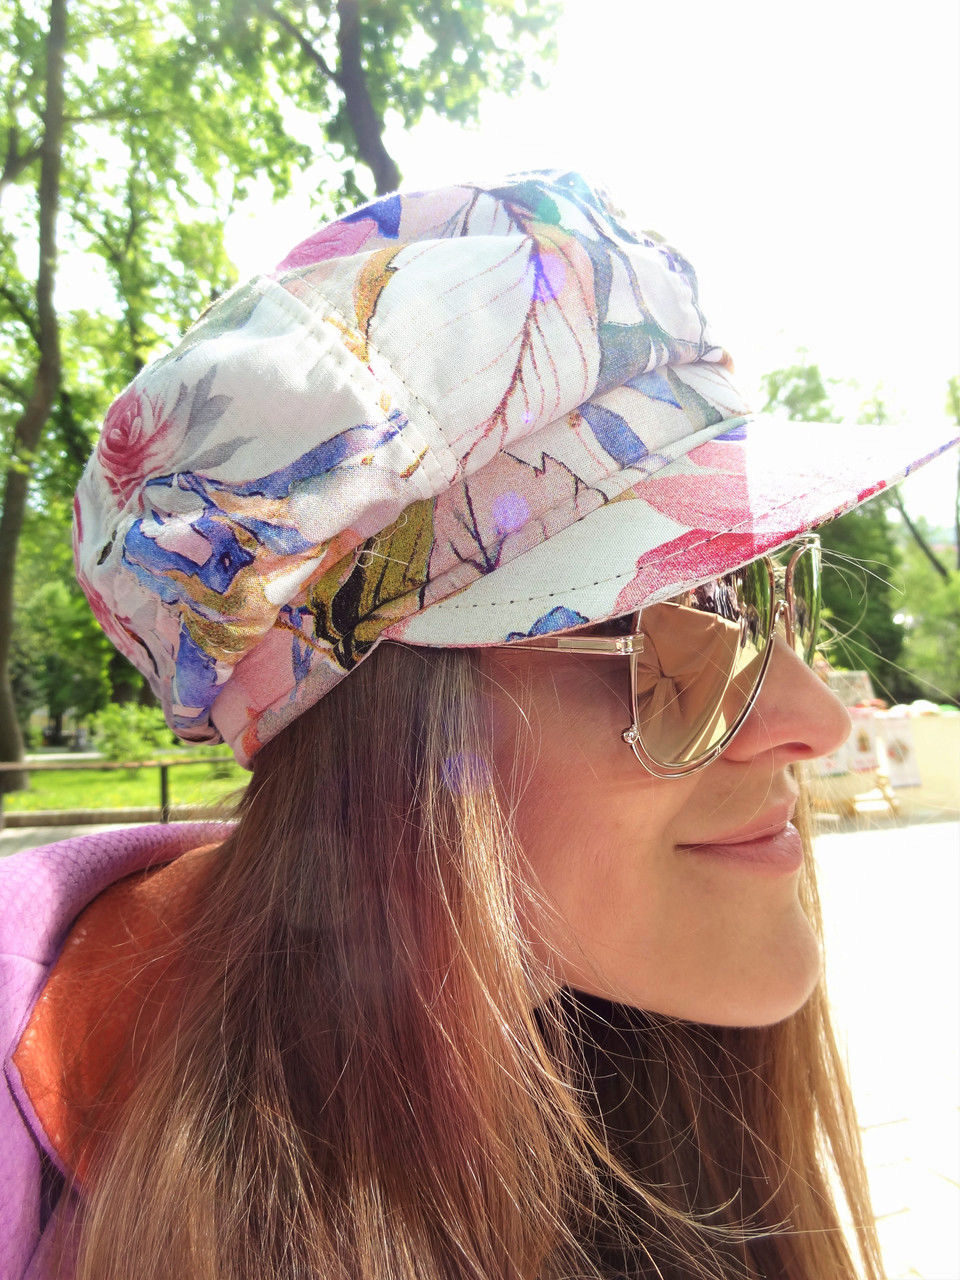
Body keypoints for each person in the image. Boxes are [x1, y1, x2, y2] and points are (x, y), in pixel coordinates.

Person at [2, 170, 957, 1280]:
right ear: (386, 735)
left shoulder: (635, 1056)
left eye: (765, 593)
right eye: (667, 627)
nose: (815, 718)